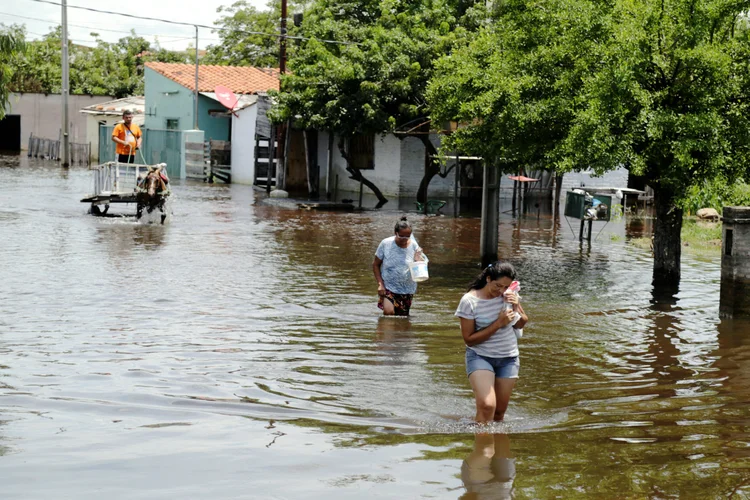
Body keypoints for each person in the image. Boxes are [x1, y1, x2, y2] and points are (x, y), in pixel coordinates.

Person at [455, 261, 528, 423]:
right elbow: (469, 340)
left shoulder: (508, 296)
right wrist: (498, 324)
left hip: (508, 358)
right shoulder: (469, 301)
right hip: (480, 356)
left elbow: (521, 323)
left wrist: (516, 304)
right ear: (488, 279)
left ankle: (494, 442)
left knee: (499, 413)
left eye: (505, 287)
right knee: (488, 406)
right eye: (497, 286)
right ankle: (482, 445)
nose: (501, 291)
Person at [372, 216, 426, 316]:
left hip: (407, 289)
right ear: (395, 233)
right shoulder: (385, 244)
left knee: (402, 319)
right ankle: (384, 330)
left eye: (407, 236)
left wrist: (418, 258)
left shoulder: (414, 246)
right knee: (389, 313)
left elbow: (420, 268)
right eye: (401, 236)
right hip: (388, 286)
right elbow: (375, 264)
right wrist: (380, 284)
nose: (404, 239)